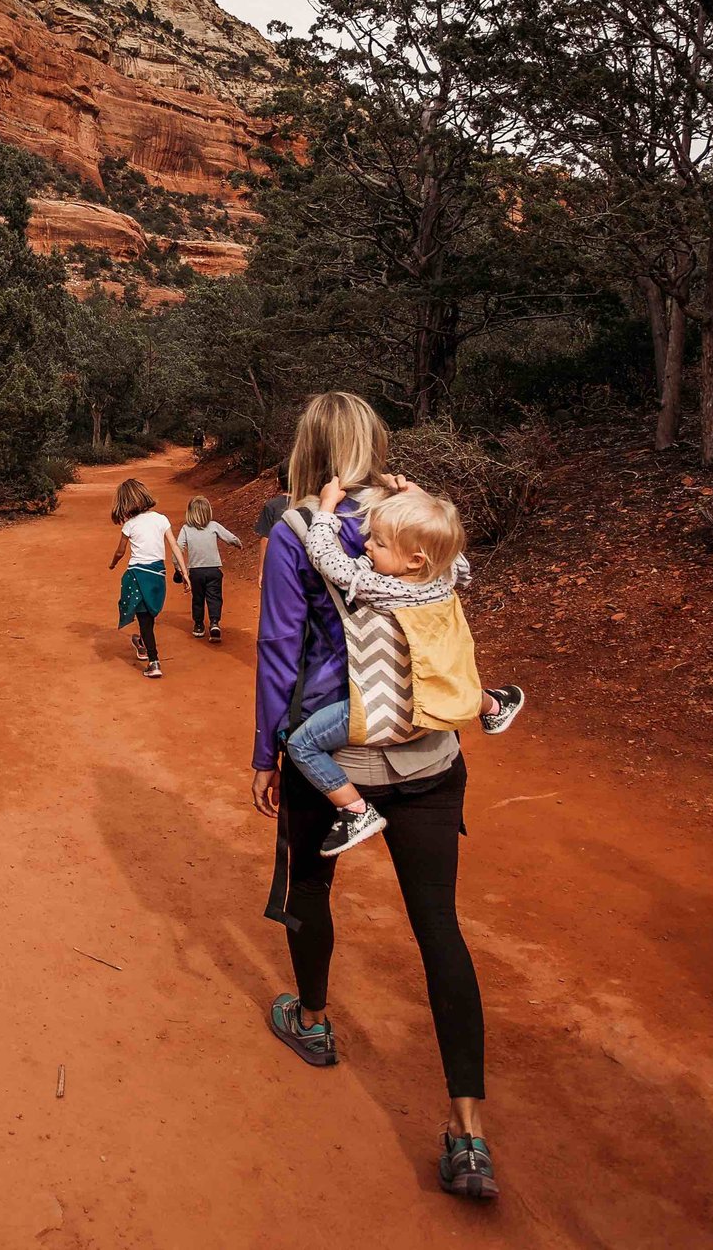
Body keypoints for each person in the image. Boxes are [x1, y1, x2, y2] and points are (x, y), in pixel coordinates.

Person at [253, 391, 500, 1201]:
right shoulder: (412, 515)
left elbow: (281, 647)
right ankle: (467, 1130)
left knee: (312, 887)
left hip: (343, 742)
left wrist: (267, 752)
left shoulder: (296, 529)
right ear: (372, 443)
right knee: (440, 928)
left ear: (307, 448)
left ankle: (315, 1023)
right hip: (430, 746)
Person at [287, 481, 526, 857]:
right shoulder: (447, 575)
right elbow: (454, 553)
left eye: (379, 543)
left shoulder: (383, 590)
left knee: (302, 744)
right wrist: (416, 495)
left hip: (390, 709)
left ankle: (354, 809)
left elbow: (326, 559)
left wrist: (326, 511)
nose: (367, 545)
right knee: (447, 678)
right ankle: (493, 705)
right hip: (440, 687)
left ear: (414, 560)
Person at [109, 478, 182, 679]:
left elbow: (120, 552)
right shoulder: (161, 519)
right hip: (158, 576)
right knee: (149, 615)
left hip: (137, 576)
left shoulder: (130, 525)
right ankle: (142, 644)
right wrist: (184, 571)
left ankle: (154, 661)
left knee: (144, 618)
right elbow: (174, 546)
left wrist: (113, 563)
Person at [176, 496, 241, 642]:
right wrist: (237, 543)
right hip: (213, 571)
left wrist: (178, 567)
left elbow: (178, 548)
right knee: (214, 597)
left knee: (198, 598)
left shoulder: (186, 529)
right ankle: (214, 623)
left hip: (196, 572)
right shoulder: (213, 526)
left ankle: (199, 625)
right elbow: (230, 537)